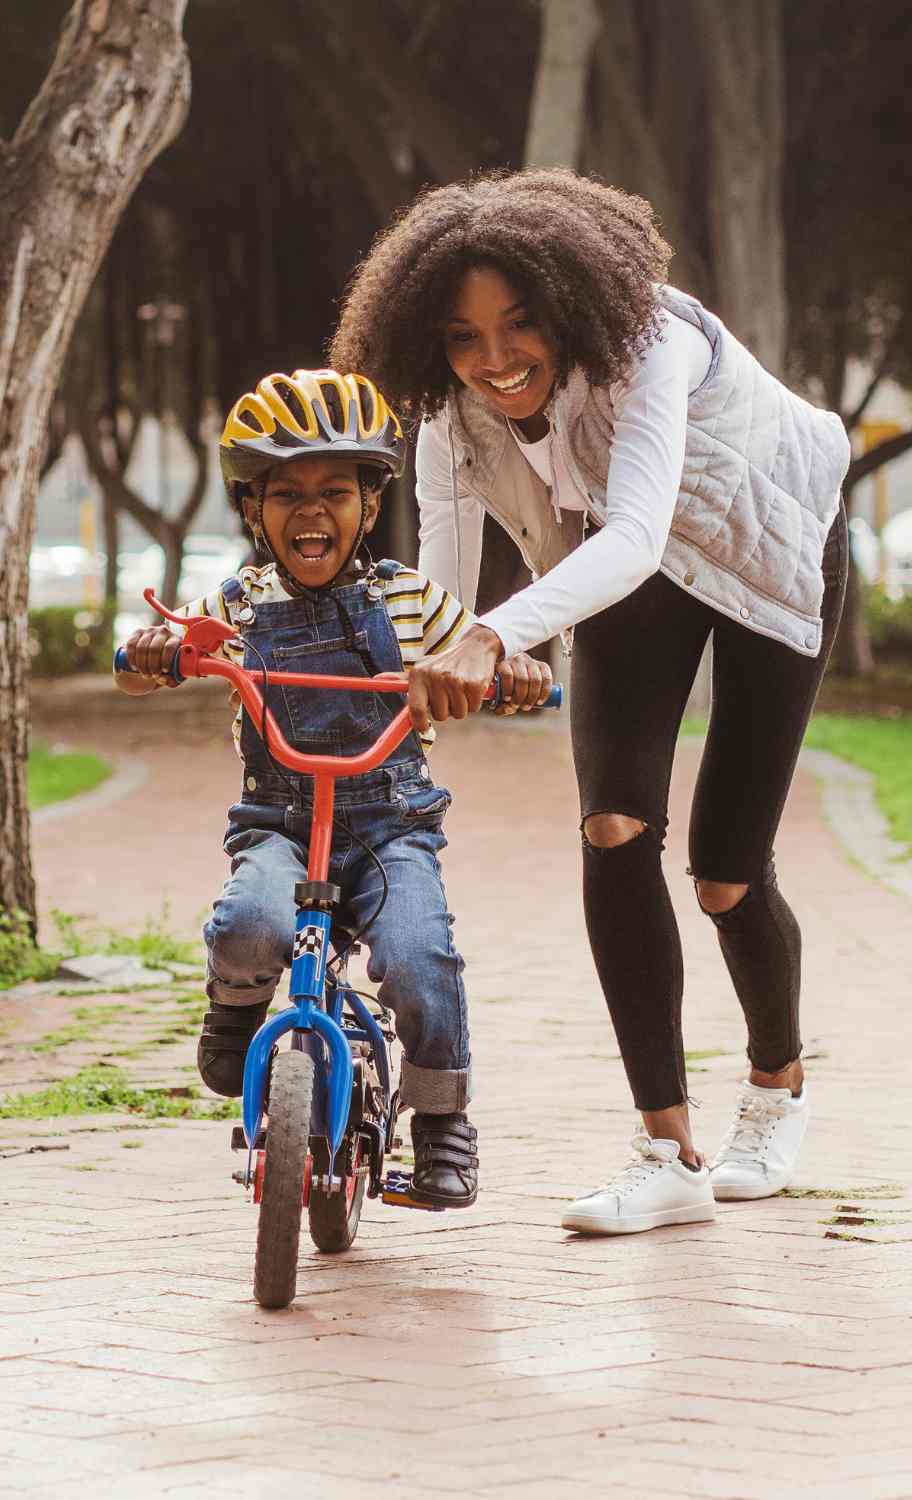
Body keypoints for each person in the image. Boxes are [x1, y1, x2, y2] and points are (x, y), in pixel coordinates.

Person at [328, 168, 851, 1235]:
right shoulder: (446, 417)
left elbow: (633, 533)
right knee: (612, 828)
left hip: (768, 551)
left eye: (518, 327)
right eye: (462, 339)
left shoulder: (651, 345)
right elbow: (442, 573)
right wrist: (437, 656)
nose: (494, 361)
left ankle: (775, 1087)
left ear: (569, 306)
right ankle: (665, 1154)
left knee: (721, 873)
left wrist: (499, 634)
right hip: (627, 572)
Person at [115, 369, 553, 1209]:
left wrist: (511, 668)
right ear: (252, 508)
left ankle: (440, 1123)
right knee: (250, 922)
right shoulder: (239, 606)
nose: (310, 511)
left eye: (333, 491)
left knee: (421, 959)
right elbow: (156, 660)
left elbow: (480, 654)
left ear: (369, 500)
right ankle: (239, 1008)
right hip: (279, 823)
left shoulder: (408, 597)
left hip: (389, 827)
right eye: (285, 493)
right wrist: (152, 656)